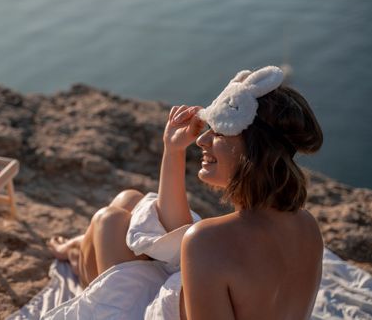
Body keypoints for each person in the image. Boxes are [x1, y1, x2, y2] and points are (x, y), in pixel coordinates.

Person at [47, 66, 324, 319]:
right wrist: (173, 150)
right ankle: (78, 250)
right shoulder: (307, 226)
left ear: (253, 151)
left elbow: (206, 251)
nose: (202, 140)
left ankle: (77, 254)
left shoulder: (206, 240)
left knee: (108, 221)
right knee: (128, 201)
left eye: (218, 133)